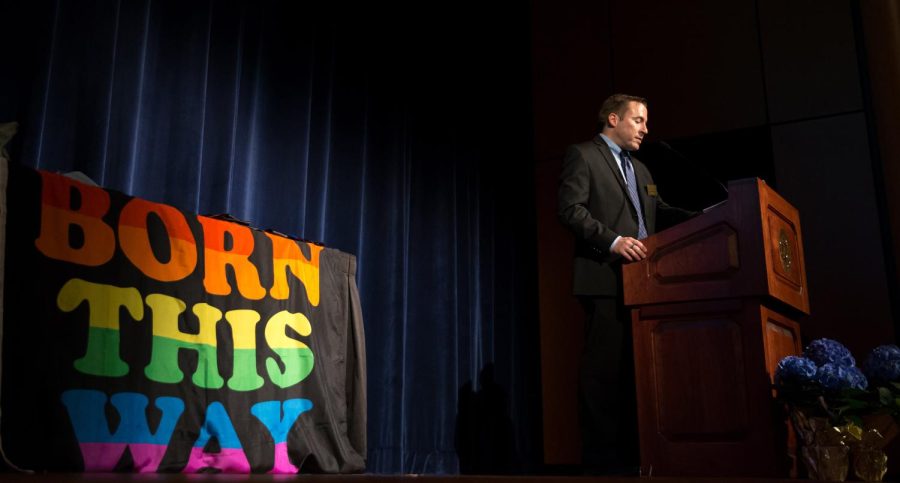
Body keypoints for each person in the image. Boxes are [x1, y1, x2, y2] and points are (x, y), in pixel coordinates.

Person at [557, 94, 695, 474]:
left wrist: (708, 217)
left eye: (646, 122)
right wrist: (613, 241)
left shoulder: (642, 171)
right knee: (603, 375)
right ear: (613, 119)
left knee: (639, 376)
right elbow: (570, 209)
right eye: (639, 120)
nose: (645, 129)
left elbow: (659, 213)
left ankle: (638, 458)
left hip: (648, 282)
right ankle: (601, 465)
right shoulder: (583, 155)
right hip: (605, 278)